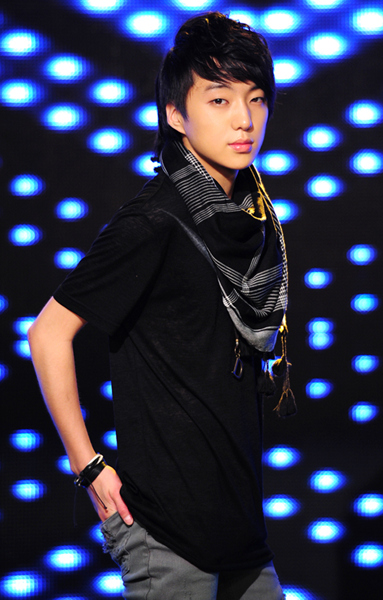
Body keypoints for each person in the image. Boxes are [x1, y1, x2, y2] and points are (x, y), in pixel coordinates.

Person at [28, 11, 295, 600]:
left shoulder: (252, 218)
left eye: (255, 99)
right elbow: (47, 333)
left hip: (240, 525)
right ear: (176, 114)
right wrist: (89, 467)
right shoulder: (155, 220)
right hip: (168, 533)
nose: (244, 119)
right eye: (219, 100)